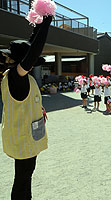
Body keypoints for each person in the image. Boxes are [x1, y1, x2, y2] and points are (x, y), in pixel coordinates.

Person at [0, 15, 52, 199]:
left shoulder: (13, 74)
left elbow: (29, 47)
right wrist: (46, 25)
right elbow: (32, 53)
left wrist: (38, 25)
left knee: (24, 177)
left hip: (22, 135)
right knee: (22, 180)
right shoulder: (16, 76)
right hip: (22, 138)